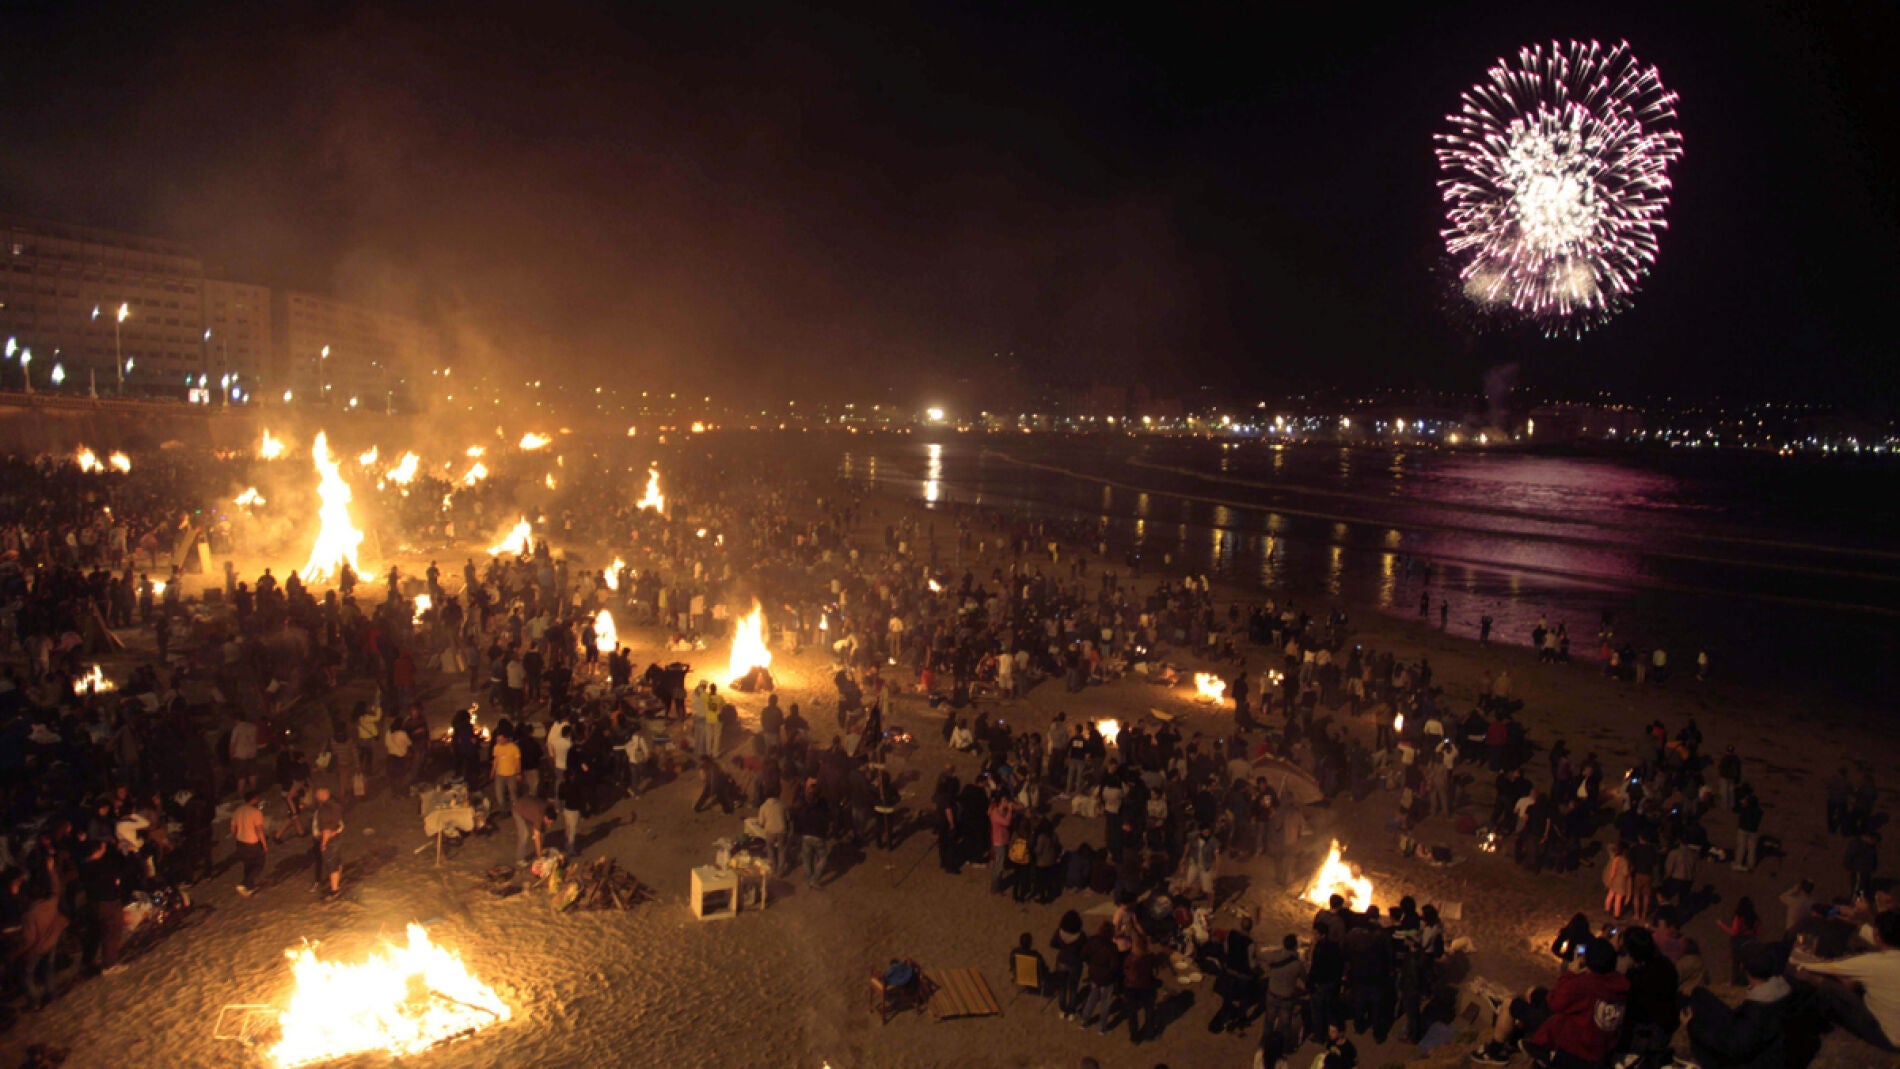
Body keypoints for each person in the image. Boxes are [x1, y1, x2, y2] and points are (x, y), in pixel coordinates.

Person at [1794, 908, 1900, 1052]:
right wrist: (1858, 925)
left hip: (1890, 1037)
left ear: (1878, 936)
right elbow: (1884, 940)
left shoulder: (1872, 963)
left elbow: (1821, 966)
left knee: (1832, 987)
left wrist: (1796, 953)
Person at [1687, 941, 1797, 1069]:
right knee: (1699, 994)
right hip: (1750, 1037)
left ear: (1742, 968)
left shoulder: (1758, 1008)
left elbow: (1734, 1048)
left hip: (1745, 1058)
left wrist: (1692, 1025)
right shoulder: (1783, 989)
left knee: (1698, 1026)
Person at [231, 790, 269, 897]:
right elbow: (259, 830)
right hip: (252, 842)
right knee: (259, 864)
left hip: (240, 842)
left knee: (248, 865)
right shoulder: (256, 812)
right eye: (257, 798)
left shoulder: (238, 811)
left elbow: (233, 828)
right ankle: (244, 883)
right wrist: (264, 844)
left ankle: (249, 887)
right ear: (253, 799)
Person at [313, 785, 345, 898]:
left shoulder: (325, 809)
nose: (316, 796)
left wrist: (323, 843)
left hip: (330, 839)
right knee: (337, 860)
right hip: (337, 837)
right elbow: (340, 823)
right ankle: (338, 883)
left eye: (318, 793)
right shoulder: (335, 804)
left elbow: (326, 829)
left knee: (332, 865)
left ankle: (335, 890)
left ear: (325, 792)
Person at [512, 790, 552, 865]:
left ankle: (540, 849)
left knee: (542, 830)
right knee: (524, 834)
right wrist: (539, 858)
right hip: (518, 809)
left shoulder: (548, 808)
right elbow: (537, 837)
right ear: (545, 817)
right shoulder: (538, 816)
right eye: (549, 821)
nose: (549, 824)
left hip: (528, 808)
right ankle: (519, 859)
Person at [490, 729, 523, 809]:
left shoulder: (514, 748)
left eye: (500, 739)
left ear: (506, 739)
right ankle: (504, 810)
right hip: (499, 775)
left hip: (511, 775)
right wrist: (492, 772)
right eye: (498, 740)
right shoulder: (496, 747)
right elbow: (496, 760)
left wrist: (518, 773)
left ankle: (516, 810)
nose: (499, 741)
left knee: (513, 794)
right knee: (499, 794)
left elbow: (518, 761)